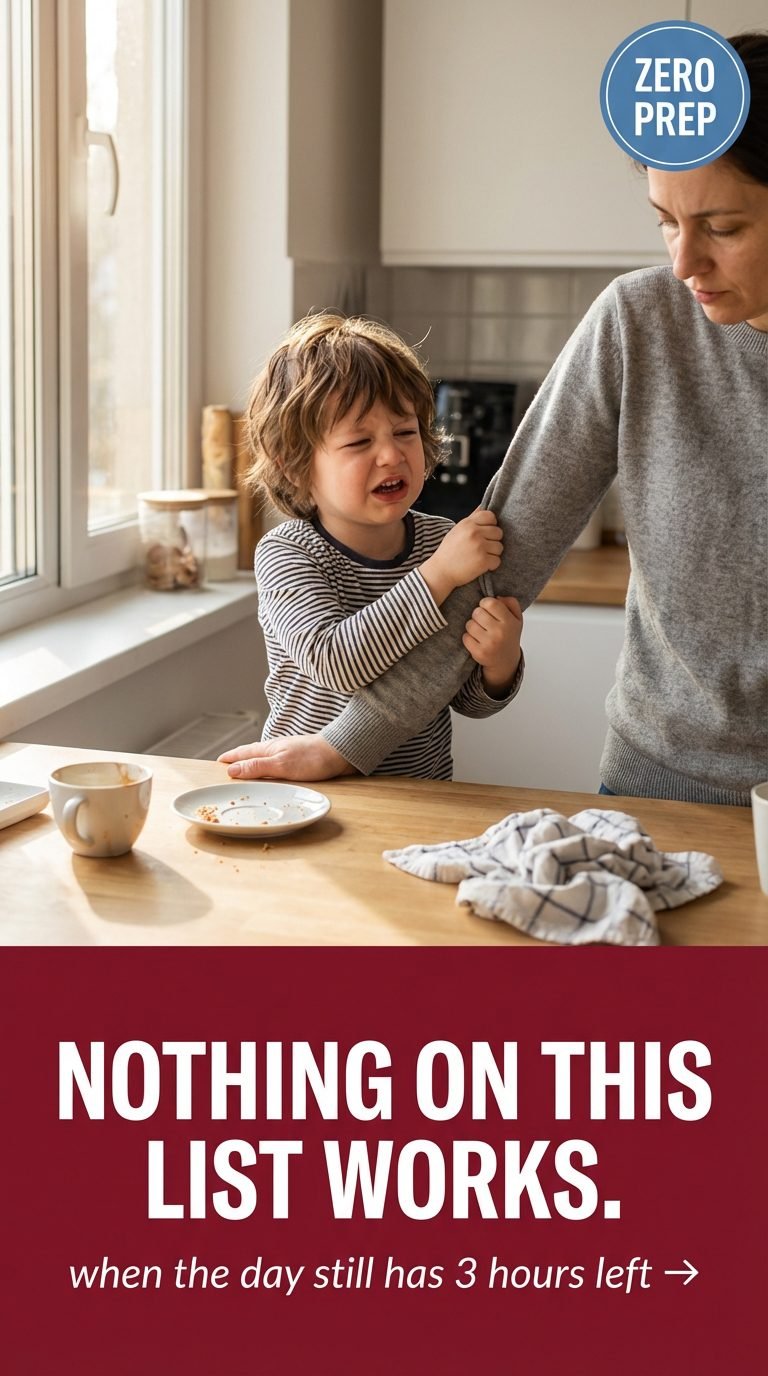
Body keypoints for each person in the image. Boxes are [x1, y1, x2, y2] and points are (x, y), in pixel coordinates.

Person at [222, 31, 768, 806]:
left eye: (723, 227)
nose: (684, 264)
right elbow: (496, 570)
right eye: (664, 222)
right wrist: (348, 747)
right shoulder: (640, 323)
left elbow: (480, 672)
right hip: (662, 786)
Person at [226, 312, 524, 779]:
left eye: (405, 432)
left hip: (422, 796)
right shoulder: (288, 553)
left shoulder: (438, 542)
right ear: (294, 467)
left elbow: (457, 694)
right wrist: (439, 577)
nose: (391, 454)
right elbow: (335, 661)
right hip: (309, 795)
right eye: (360, 441)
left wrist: (499, 666)